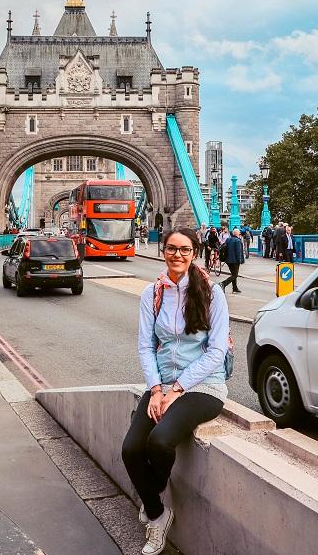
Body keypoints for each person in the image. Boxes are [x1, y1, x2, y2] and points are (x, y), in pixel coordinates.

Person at [121, 228, 229, 555]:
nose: (177, 255)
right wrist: (156, 389)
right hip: (162, 385)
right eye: (171, 249)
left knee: (160, 440)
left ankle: (151, 502)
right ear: (163, 251)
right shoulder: (152, 293)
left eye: (184, 250)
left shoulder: (212, 292)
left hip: (203, 386)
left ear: (194, 253)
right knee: (131, 449)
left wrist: (179, 388)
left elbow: (216, 352)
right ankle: (158, 512)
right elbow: (145, 346)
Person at [220, 229, 245, 293]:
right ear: (237, 234)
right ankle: (223, 284)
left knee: (233, 274)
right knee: (235, 275)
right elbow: (238, 252)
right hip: (235, 261)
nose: (239, 234)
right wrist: (239, 260)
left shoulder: (228, 239)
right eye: (239, 233)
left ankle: (235, 288)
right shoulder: (237, 241)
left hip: (228, 260)